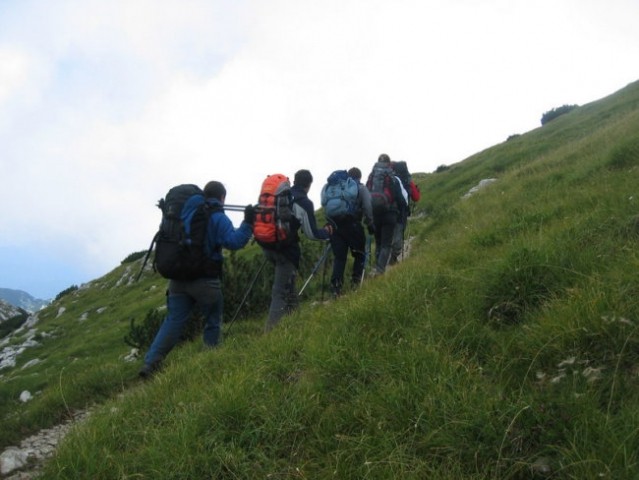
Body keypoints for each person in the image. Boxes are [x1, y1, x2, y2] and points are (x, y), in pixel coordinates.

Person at [139, 181, 255, 378]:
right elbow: (234, 242)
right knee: (212, 319)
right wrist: (248, 223)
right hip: (205, 280)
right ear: (222, 198)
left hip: (177, 279)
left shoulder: (184, 213)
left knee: (173, 321)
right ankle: (211, 359)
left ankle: (150, 364)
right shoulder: (217, 217)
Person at [262, 169, 332, 332]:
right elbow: (311, 233)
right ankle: (270, 333)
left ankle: (294, 323)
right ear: (309, 185)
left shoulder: (282, 196)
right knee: (279, 292)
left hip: (269, 245)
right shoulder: (303, 202)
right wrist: (326, 233)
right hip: (286, 250)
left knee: (289, 286)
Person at [326, 167, 374, 296]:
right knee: (359, 254)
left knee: (340, 258)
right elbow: (368, 206)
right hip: (353, 225)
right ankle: (356, 283)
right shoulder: (360, 188)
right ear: (359, 177)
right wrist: (370, 224)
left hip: (335, 226)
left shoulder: (338, 188)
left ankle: (336, 288)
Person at [366, 154, 407, 275]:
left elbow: (366, 194)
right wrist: (402, 210)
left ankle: (376, 267)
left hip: (375, 214)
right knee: (386, 244)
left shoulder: (371, 176)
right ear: (389, 163)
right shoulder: (391, 176)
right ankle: (379, 270)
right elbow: (399, 197)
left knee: (378, 242)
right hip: (390, 214)